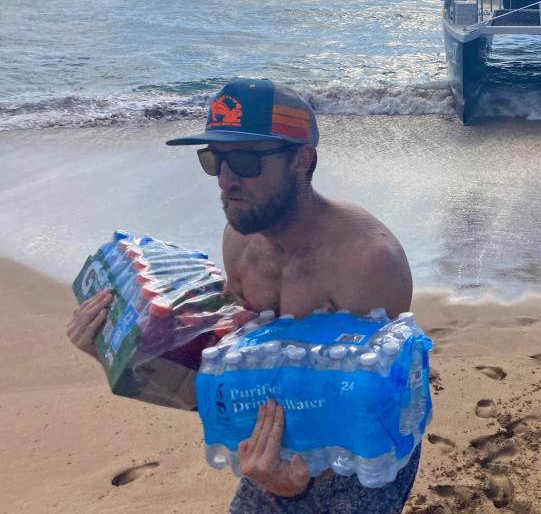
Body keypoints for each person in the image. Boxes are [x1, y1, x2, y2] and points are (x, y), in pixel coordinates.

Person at [66, 79, 420, 513]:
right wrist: (119, 349)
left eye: (247, 161)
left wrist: (299, 487)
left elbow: (372, 396)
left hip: (360, 456)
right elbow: (232, 365)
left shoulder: (367, 264)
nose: (226, 181)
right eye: (215, 160)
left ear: (301, 160)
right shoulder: (239, 239)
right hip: (271, 444)